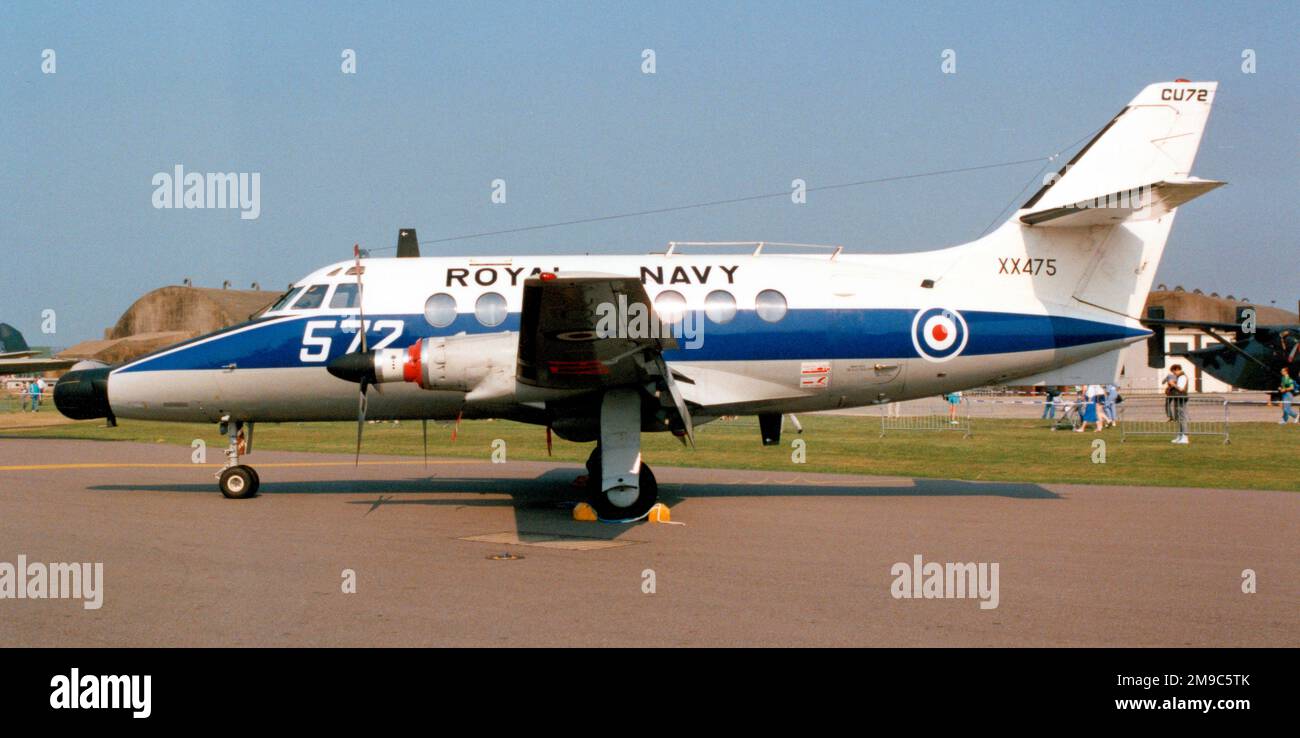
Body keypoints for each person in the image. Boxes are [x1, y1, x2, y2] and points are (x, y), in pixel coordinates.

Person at [1165, 364, 1190, 443]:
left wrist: (1173, 384)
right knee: (1179, 418)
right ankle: (1180, 435)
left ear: (1177, 369)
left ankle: (1185, 437)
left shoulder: (1182, 377)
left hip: (1181, 399)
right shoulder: (1179, 377)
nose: (1174, 374)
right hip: (1178, 399)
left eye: (1174, 372)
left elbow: (1181, 389)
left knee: (1182, 418)